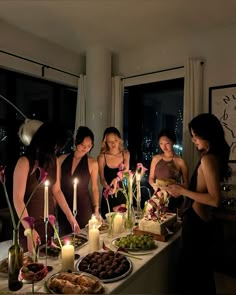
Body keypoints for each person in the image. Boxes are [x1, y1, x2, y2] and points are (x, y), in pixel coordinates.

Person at [165, 113, 232, 295]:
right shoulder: (211, 157)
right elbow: (201, 188)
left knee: (194, 277)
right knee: (199, 276)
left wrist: (183, 191)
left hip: (197, 225)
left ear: (207, 134)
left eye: (196, 135)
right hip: (200, 222)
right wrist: (181, 187)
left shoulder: (208, 159)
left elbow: (214, 199)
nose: (193, 139)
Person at [13, 120, 79, 253]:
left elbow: (57, 191)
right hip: (29, 224)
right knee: (31, 267)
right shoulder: (24, 162)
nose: (56, 150)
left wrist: (70, 217)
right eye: (55, 146)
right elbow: (18, 200)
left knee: (49, 263)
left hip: (48, 223)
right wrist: (30, 230)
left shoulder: (54, 160)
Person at [58, 126, 100, 235]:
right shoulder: (61, 159)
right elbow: (56, 187)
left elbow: (94, 188)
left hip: (83, 206)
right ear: (76, 142)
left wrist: (96, 209)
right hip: (64, 205)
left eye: (89, 146)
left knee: (83, 238)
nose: (85, 149)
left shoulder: (92, 163)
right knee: (65, 240)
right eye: (82, 145)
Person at [149, 129, 189, 212]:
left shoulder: (180, 161)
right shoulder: (156, 159)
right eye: (161, 144)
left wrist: (174, 187)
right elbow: (151, 178)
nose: (164, 147)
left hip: (174, 199)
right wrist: (155, 187)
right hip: (158, 196)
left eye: (167, 143)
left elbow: (186, 184)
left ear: (173, 142)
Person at [97, 127, 130, 219]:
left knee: (123, 225)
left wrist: (117, 179)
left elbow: (126, 171)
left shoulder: (126, 154)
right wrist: (108, 187)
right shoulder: (102, 157)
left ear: (119, 140)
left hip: (122, 195)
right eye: (109, 141)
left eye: (115, 140)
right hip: (108, 195)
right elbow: (102, 179)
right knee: (108, 227)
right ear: (105, 142)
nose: (113, 143)